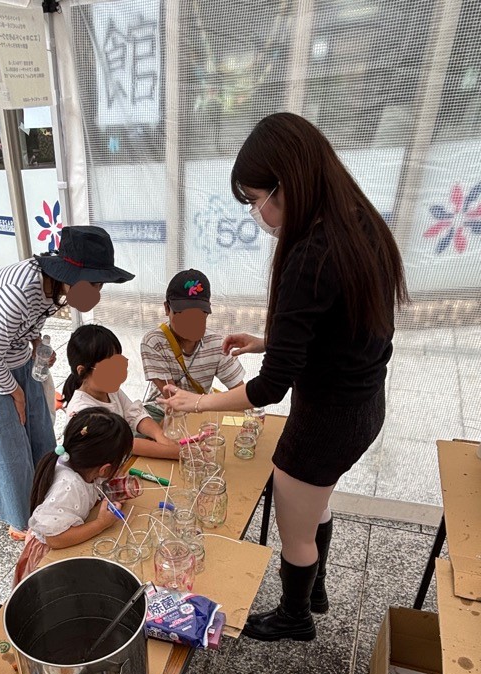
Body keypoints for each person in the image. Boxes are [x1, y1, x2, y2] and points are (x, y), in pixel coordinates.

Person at [162, 112, 407, 642]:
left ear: (288, 182)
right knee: (315, 499)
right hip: (364, 407)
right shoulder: (358, 222)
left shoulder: (309, 255)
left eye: (256, 198)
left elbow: (269, 388)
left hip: (327, 418)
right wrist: (267, 340)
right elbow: (341, 324)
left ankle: (295, 615)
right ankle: (313, 588)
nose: (257, 212)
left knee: (295, 517)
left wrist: (195, 404)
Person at [0, 226, 134, 540]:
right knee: (12, 446)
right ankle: (24, 521)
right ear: (69, 274)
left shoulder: (55, 289)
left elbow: (31, 323)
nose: (96, 293)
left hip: (18, 356)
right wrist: (16, 393)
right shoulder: (21, 289)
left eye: (99, 285)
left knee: (41, 435)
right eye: (93, 284)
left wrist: (36, 348)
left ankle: (49, 501)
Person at [14, 409, 134, 583]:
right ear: (104, 469)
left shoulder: (78, 463)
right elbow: (55, 539)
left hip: (63, 539)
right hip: (51, 558)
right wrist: (101, 524)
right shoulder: (68, 487)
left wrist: (108, 490)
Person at [63, 325, 181, 459]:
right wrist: (177, 452)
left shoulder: (108, 389)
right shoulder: (81, 411)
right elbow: (124, 444)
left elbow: (134, 413)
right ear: (82, 370)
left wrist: (160, 436)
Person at [141, 269, 245, 419]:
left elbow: (241, 394)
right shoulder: (154, 342)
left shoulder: (217, 344)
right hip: (163, 410)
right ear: (166, 308)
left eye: (199, 314)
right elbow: (172, 398)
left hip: (202, 410)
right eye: (183, 313)